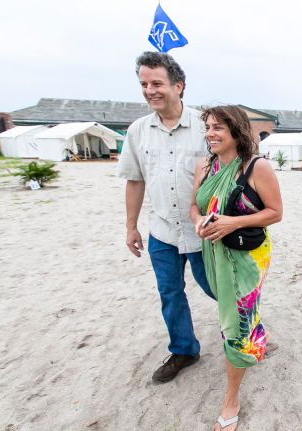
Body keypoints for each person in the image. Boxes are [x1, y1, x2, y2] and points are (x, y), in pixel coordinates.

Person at [117, 51, 215, 383]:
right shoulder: (137, 131)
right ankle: (184, 350)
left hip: (203, 230)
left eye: (157, 83)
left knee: (218, 289)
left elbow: (231, 173)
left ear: (178, 85)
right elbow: (135, 180)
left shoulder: (207, 126)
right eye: (144, 84)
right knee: (170, 293)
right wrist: (131, 227)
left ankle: (250, 331)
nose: (150, 91)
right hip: (162, 230)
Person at [190, 105, 282, 430]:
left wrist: (232, 222)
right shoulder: (205, 166)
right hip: (214, 251)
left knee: (236, 324)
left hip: (248, 257)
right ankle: (259, 333)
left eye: (218, 127)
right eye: (208, 127)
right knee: (238, 311)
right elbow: (194, 205)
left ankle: (231, 400)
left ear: (236, 130)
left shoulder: (257, 167)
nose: (210, 134)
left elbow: (275, 212)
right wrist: (199, 221)